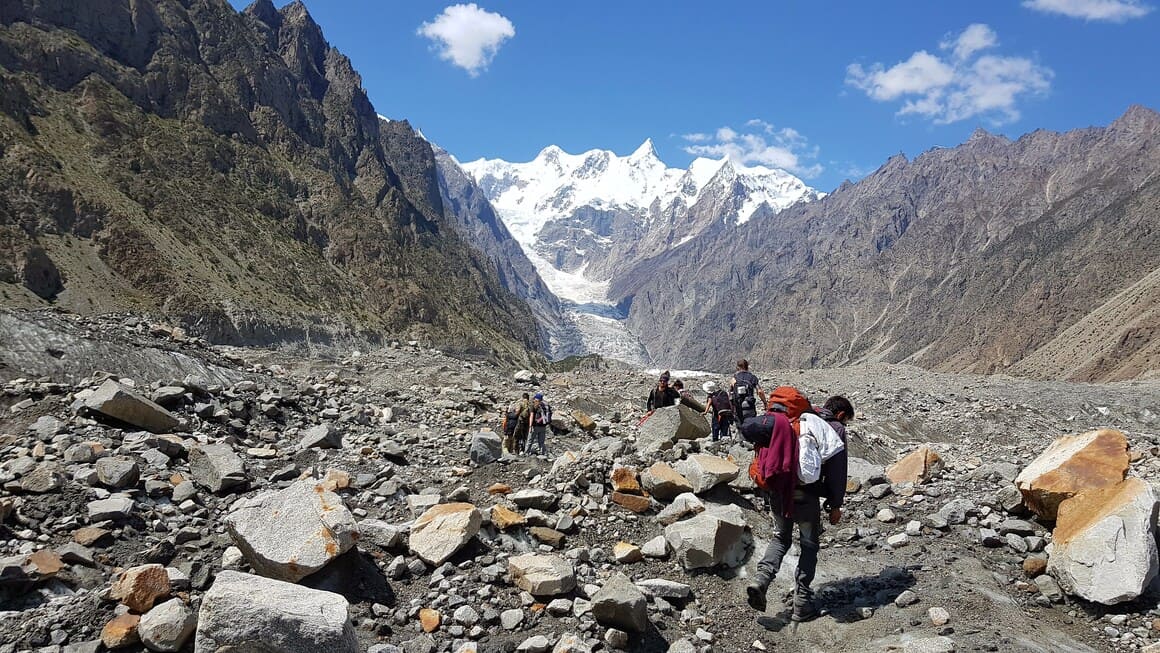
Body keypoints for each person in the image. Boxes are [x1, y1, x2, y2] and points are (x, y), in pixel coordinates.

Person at [746, 392, 853, 623]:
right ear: (841, 415)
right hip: (806, 496)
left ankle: (761, 580)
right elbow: (836, 471)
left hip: (778, 492)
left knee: (780, 538)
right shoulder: (830, 427)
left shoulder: (778, 424)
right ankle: (802, 604)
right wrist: (835, 504)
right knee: (809, 545)